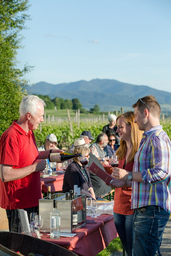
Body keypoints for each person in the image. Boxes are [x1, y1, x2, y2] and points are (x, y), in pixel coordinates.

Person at [112, 95, 171, 256]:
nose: (135, 120)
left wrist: (129, 176)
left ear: (145, 113)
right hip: (144, 210)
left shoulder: (157, 138)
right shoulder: (149, 138)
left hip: (151, 211)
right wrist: (125, 181)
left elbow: (162, 172)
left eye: (136, 116)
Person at [0, 95, 61, 232]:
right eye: (40, 116)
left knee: (34, 246)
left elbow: (30, 157)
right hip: (19, 203)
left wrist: (52, 154)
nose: (42, 119)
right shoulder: (11, 136)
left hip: (32, 199)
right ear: (28, 116)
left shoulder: (30, 133)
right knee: (20, 249)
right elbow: (5, 174)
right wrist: (34, 168)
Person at [111, 112, 142, 256]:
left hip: (132, 206)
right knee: (127, 249)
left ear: (132, 127)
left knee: (133, 251)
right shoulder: (121, 150)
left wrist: (124, 180)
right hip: (118, 206)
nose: (117, 131)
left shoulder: (141, 152)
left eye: (120, 127)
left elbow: (142, 180)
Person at [89, 133, 111, 197]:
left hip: (100, 189)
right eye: (106, 140)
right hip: (104, 186)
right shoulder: (94, 147)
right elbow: (96, 158)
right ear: (101, 141)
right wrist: (103, 159)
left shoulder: (105, 148)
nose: (108, 141)